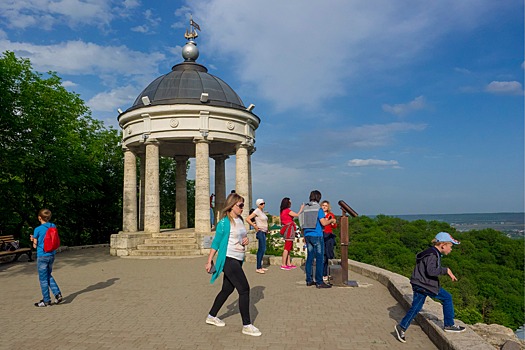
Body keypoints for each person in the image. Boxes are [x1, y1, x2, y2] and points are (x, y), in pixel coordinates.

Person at [204, 193, 262, 337]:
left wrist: (245, 241)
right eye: (240, 205)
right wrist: (209, 260)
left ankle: (211, 316)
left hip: (237, 259)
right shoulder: (224, 223)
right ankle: (247, 325)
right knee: (244, 290)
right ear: (232, 205)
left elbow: (241, 236)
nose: (243, 208)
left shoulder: (241, 220)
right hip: (228, 260)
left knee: (226, 290)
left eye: (243, 205)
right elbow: (216, 242)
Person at [394, 232, 466, 343]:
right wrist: (445, 270)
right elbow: (431, 271)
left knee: (416, 307)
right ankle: (449, 325)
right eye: (450, 246)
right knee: (447, 298)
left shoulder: (429, 252)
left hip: (418, 283)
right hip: (425, 285)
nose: (451, 249)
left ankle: (402, 327)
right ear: (443, 245)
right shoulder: (433, 254)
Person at [301, 190, 335, 288]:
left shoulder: (305, 208)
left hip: (307, 234)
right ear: (318, 198)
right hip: (317, 234)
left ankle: (309, 280)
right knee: (320, 258)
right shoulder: (318, 209)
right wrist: (331, 220)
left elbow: (302, 222)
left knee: (310, 258)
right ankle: (319, 282)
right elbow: (323, 223)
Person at [30, 209, 63, 307]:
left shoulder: (37, 229)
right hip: (51, 255)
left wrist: (33, 239)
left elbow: (35, 245)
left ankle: (46, 300)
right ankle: (57, 294)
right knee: (48, 275)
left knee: (43, 278)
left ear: (39, 218)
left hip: (42, 255)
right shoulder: (53, 226)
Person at [279, 197, 304, 270]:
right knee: (287, 247)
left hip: (287, 228)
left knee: (289, 247)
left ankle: (288, 263)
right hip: (289, 229)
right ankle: (283, 264)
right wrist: (301, 209)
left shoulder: (282, 211)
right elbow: (296, 215)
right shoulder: (287, 211)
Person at [246, 198, 269, 274]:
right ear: (258, 204)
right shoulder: (257, 211)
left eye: (264, 203)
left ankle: (260, 266)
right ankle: (258, 267)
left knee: (263, 249)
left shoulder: (261, 212)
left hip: (264, 231)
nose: (263, 205)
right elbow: (248, 219)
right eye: (261, 204)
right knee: (261, 249)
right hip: (260, 231)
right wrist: (254, 226)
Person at [321, 200, 337, 283]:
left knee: (327, 255)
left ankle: (324, 273)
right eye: (323, 205)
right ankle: (322, 273)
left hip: (328, 235)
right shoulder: (319, 214)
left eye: (326, 206)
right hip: (321, 234)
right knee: (322, 254)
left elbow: (334, 226)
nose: (324, 207)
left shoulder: (331, 215)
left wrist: (332, 223)